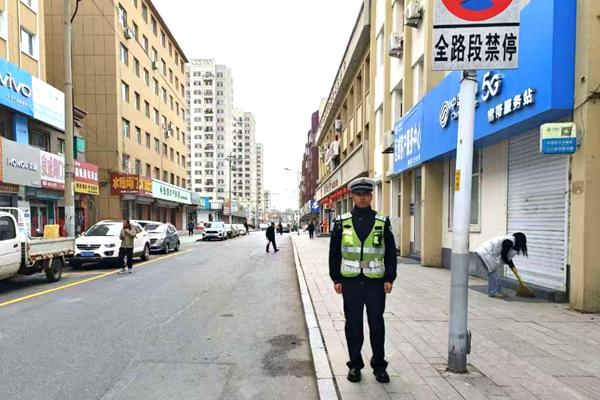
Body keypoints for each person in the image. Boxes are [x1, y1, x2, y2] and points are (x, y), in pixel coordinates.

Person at [329, 177, 397, 384]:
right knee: (353, 325)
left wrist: (389, 277)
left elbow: (390, 253)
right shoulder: (341, 222)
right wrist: (336, 278)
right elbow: (334, 253)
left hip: (375, 283)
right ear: (353, 196)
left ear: (371, 196)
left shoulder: (382, 222)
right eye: (358, 194)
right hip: (350, 283)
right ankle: (355, 365)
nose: (362, 198)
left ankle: (379, 366)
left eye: (366, 194)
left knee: (377, 325)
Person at [476, 232, 528, 298]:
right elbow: (504, 256)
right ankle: (493, 292)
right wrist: (512, 266)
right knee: (492, 273)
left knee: (494, 273)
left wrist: (513, 267)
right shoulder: (508, 242)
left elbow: (508, 257)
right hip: (485, 253)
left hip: (486, 253)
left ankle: (497, 290)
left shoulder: (511, 241)